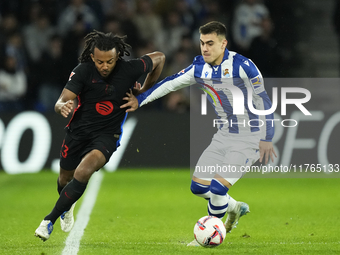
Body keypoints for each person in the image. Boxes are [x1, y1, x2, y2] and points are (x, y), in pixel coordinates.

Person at [121, 21, 276, 246]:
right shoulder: (198, 67)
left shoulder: (243, 66)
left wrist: (267, 138)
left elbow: (265, 101)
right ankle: (234, 208)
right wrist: (140, 100)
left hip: (250, 136)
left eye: (210, 43)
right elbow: (170, 84)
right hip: (224, 134)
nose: (205, 48)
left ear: (224, 44)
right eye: (202, 43)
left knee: (217, 188)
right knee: (198, 187)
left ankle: (209, 236)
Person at [34, 30, 165, 241]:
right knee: (64, 179)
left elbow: (160, 58)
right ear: (93, 57)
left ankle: (48, 221)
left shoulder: (129, 68)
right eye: (100, 62)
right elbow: (62, 100)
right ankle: (67, 207)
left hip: (107, 135)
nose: (105, 66)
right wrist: (62, 107)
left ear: (117, 57)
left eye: (110, 61)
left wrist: (143, 92)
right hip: (78, 132)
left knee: (84, 170)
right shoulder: (83, 71)